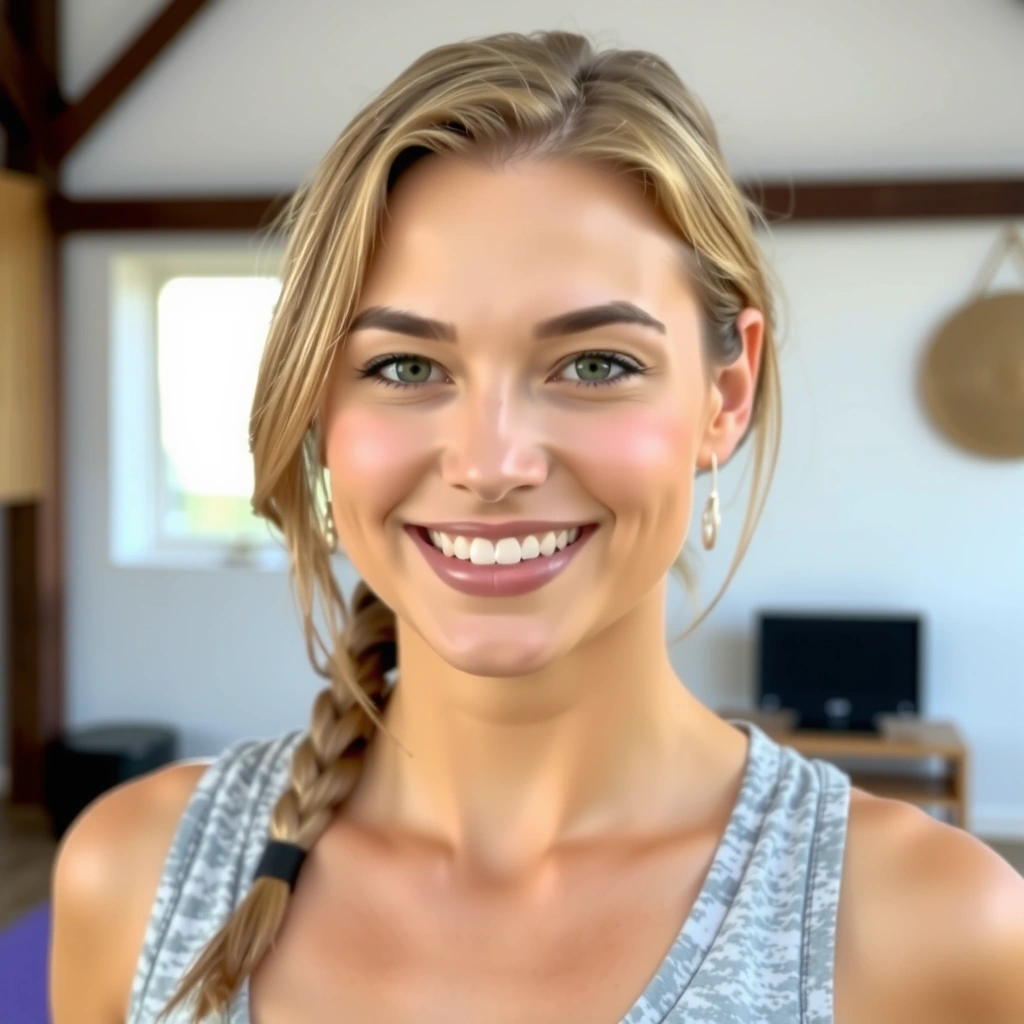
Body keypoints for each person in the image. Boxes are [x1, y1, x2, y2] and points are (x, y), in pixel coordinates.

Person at [49, 30, 1024, 1024]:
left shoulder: (933, 931)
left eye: (594, 364)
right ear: (318, 412)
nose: (489, 461)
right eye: (404, 366)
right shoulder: (129, 871)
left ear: (724, 397)